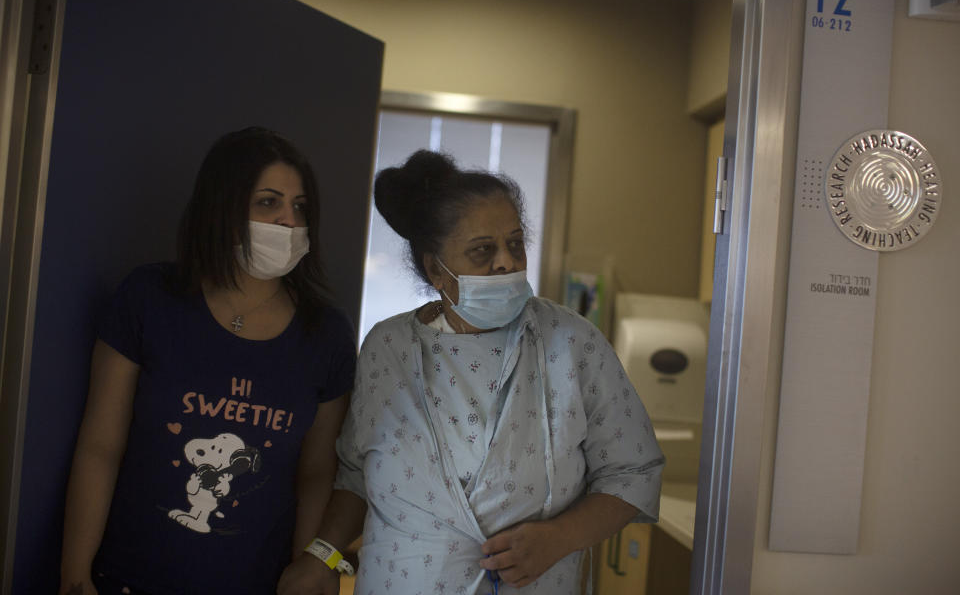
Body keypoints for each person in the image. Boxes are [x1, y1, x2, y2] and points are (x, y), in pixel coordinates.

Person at [278, 150, 664, 594]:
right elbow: (357, 476)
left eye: (515, 243)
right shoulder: (389, 348)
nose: (506, 262)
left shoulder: (571, 342)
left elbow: (634, 471)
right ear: (434, 269)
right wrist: (321, 555)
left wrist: (561, 538)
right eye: (483, 251)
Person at [59, 128, 356, 595]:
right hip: (126, 578)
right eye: (268, 202)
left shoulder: (326, 335)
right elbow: (100, 446)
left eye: (300, 207)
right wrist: (74, 577)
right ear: (223, 205)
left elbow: (317, 474)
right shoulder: (150, 298)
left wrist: (308, 570)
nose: (288, 221)